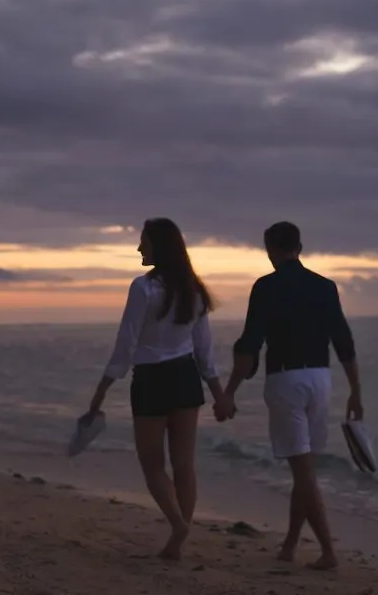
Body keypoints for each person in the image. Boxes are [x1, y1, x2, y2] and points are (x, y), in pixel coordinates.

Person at [218, 221, 362, 570]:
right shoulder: (325, 287)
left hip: (286, 381)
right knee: (305, 466)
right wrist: (356, 391)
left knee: (303, 472)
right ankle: (290, 545)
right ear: (300, 246)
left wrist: (229, 393)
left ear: (269, 249)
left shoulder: (265, 287)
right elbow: (343, 340)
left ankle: (328, 550)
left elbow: (250, 345)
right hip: (321, 379)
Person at [84, 217, 227, 560]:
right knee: (184, 465)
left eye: (143, 242)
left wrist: (102, 389)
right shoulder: (193, 288)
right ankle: (180, 536)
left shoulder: (143, 287)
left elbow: (127, 342)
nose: (138, 248)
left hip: (152, 379)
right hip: (185, 377)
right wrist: (218, 392)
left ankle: (178, 525)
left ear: (158, 247)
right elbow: (204, 348)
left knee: (152, 465)